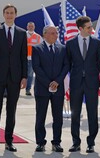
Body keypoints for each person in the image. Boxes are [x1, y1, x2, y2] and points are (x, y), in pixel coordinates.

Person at [0, 4, 27, 152]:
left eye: (12, 13)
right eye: (7, 13)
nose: (9, 15)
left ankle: (9, 141)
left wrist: (24, 76)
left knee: (12, 109)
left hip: (15, 77)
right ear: (3, 15)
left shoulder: (22, 33)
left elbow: (23, 57)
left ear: (16, 15)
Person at [66, 16, 100, 153]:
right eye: (88, 27)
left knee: (92, 113)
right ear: (80, 28)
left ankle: (91, 143)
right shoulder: (70, 44)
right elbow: (69, 63)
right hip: (76, 83)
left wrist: (90, 74)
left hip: (92, 83)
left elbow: (99, 63)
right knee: (75, 114)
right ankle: (76, 142)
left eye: (91, 27)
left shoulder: (96, 43)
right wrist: (77, 74)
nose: (91, 29)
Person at [32, 25, 69, 153]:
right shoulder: (37, 49)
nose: (55, 35)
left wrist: (57, 82)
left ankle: (56, 142)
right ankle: (40, 142)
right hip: (42, 89)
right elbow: (36, 67)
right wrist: (49, 83)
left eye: (56, 33)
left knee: (58, 118)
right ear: (45, 35)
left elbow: (66, 66)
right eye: (52, 33)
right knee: (40, 117)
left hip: (58, 89)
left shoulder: (62, 49)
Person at [25, 21, 42, 96]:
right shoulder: (22, 35)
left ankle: (28, 89)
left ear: (34, 27)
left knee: (30, 74)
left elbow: (41, 48)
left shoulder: (38, 37)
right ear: (27, 27)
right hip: (22, 58)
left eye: (32, 26)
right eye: (29, 26)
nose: (31, 27)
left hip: (32, 58)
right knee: (18, 74)